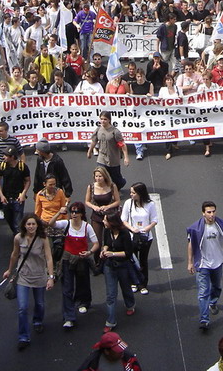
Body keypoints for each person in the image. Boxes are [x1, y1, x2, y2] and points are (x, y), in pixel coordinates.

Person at [187, 200, 223, 331]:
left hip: (217, 262)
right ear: (203, 213)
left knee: (217, 286)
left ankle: (213, 303)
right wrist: (190, 262)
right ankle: (204, 319)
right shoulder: (195, 228)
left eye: (213, 211)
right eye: (209, 212)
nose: (212, 214)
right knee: (203, 292)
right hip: (203, 264)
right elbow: (190, 244)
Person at [54, 200, 98, 328]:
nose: (73, 214)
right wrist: (59, 212)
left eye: (76, 212)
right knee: (67, 288)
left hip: (81, 259)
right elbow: (51, 224)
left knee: (83, 282)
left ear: (82, 214)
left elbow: (96, 243)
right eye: (72, 211)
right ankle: (69, 316)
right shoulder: (66, 224)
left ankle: (84, 302)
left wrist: (89, 252)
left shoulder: (86, 227)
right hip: (67, 260)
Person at [121, 182, 158, 295]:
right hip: (132, 237)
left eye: (133, 192)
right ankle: (133, 282)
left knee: (143, 261)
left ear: (140, 193)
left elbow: (154, 220)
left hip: (145, 237)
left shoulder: (150, 205)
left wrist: (147, 228)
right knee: (132, 260)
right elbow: (123, 219)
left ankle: (143, 284)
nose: (131, 194)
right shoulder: (128, 203)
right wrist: (132, 229)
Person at [89, 111, 129, 191]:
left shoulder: (115, 132)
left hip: (113, 159)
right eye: (101, 119)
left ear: (109, 120)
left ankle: (120, 184)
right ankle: (104, 191)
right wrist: (89, 151)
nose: (103, 121)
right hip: (101, 158)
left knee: (116, 178)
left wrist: (126, 157)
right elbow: (94, 141)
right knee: (101, 174)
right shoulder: (98, 130)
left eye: (105, 119)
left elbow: (122, 145)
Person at [0, 146, 31, 233]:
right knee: (9, 218)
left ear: (12, 157)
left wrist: (23, 194)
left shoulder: (22, 167)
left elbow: (28, 181)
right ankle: (15, 233)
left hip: (18, 198)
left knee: (18, 221)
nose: (4, 157)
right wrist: (1, 196)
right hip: (6, 198)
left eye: (6, 155)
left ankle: (19, 238)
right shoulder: (2, 166)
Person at [76, 331, 144, 371]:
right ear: (107, 351)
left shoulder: (129, 358)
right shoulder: (92, 363)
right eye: (118, 350)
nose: (122, 352)